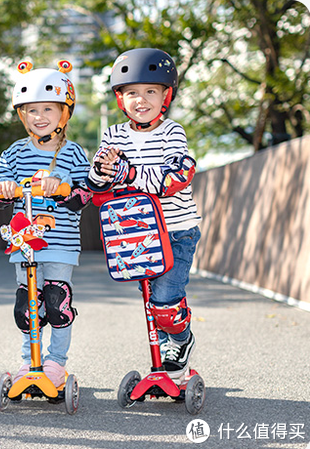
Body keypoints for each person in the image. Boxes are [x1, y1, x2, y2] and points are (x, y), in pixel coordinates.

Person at [87, 48, 201, 384]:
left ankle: (180, 342)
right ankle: (167, 362)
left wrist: (127, 171)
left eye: (151, 91)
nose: (142, 99)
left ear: (166, 96)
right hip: (135, 232)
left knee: (165, 301)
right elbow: (98, 185)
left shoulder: (171, 133)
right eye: (132, 92)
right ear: (120, 98)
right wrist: (102, 169)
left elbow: (169, 180)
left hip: (176, 230)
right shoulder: (113, 136)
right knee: (151, 304)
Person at [0, 60, 91, 387]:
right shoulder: (14, 153)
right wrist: (3, 189)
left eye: (48, 108)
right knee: (27, 305)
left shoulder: (73, 153)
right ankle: (27, 362)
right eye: (32, 110)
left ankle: (56, 363)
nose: (40, 116)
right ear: (22, 115)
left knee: (56, 303)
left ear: (64, 112)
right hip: (24, 243)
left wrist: (63, 188)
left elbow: (85, 193)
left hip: (60, 243)